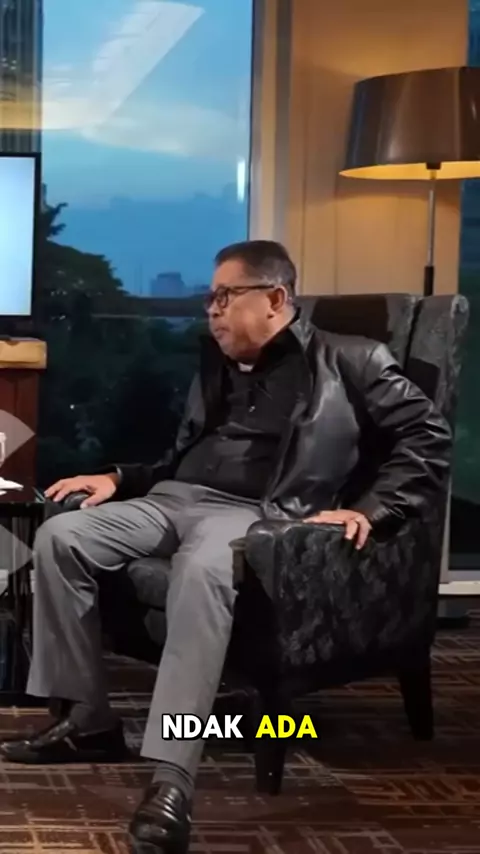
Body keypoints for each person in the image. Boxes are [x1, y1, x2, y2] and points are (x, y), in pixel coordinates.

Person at [0, 240, 451, 854]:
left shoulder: (352, 359)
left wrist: (373, 508)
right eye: (209, 298)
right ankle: (88, 720)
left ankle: (172, 777)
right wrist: (118, 478)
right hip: (175, 499)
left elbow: (427, 437)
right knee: (61, 535)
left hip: (258, 515)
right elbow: (183, 455)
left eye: (224, 296)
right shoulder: (216, 363)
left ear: (275, 299)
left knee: (201, 568)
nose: (210, 310)